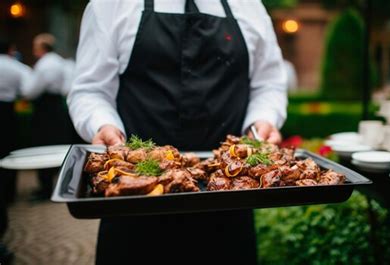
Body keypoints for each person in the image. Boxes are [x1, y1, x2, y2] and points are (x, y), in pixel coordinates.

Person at [68, 0, 287, 264]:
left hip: (229, 200)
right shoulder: (111, 4)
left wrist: (263, 120)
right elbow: (90, 90)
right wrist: (102, 124)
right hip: (133, 202)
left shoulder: (250, 6)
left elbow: (269, 84)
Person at [22, 33, 73, 200]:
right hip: (57, 107)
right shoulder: (60, 61)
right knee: (57, 143)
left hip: (44, 109)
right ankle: (60, 185)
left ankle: (45, 188)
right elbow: (67, 87)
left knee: (42, 145)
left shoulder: (44, 64)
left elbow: (30, 91)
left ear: (41, 48)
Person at [0, 36, 30, 265]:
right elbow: (29, 89)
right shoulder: (16, 67)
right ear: (11, 49)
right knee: (7, 154)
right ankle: (8, 194)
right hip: (6, 113)